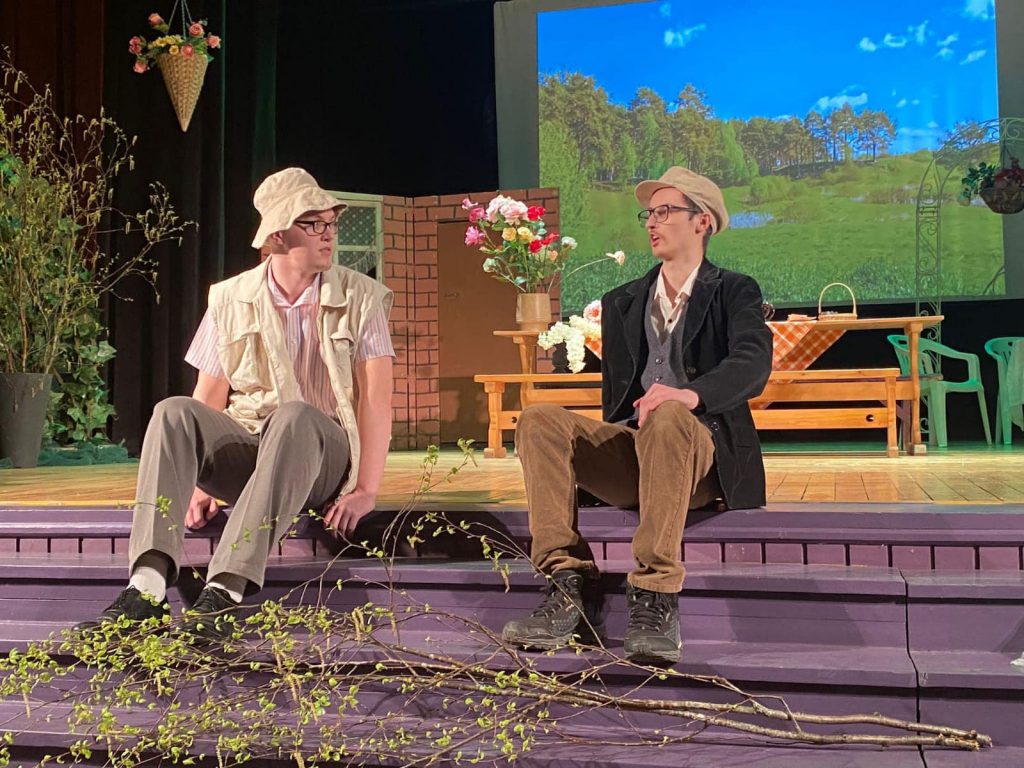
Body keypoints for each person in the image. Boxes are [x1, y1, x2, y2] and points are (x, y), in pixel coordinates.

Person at [76, 168, 394, 640]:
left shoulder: (361, 297)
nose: (329, 234)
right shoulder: (229, 298)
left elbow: (377, 401)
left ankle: (225, 589)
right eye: (314, 224)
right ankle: (147, 587)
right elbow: (208, 396)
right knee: (172, 411)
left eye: (332, 223)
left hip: (320, 454)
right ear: (277, 235)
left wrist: (366, 488)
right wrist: (196, 482)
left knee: (294, 416)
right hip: (252, 444)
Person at [502, 167, 773, 664]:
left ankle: (655, 593)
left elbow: (752, 363)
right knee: (539, 419)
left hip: (701, 456)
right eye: (648, 213)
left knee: (668, 415)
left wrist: (688, 395)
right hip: (638, 452)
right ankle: (567, 584)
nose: (652, 222)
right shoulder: (622, 301)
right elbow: (616, 399)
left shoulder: (735, 290)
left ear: (703, 221)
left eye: (665, 211)